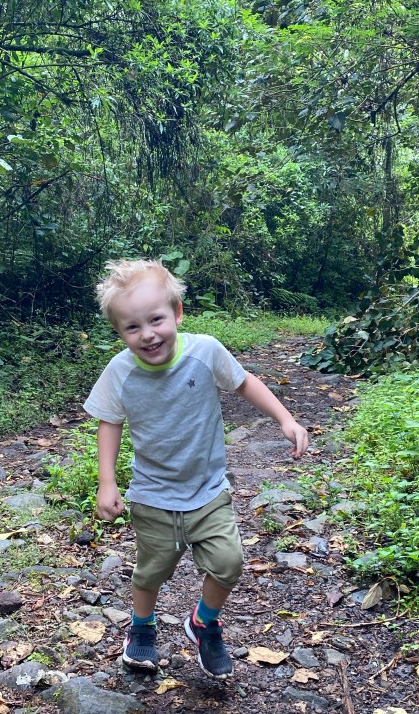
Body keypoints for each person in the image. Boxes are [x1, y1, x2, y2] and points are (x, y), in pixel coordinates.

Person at [84, 258, 309, 679]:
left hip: (208, 490)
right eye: (132, 327)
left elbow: (243, 381)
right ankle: (142, 627)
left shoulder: (204, 351)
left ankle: (203, 622)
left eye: (156, 319)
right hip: (153, 495)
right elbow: (109, 422)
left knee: (228, 562)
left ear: (177, 313)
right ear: (119, 332)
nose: (147, 334)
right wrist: (107, 482)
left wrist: (285, 419)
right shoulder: (120, 371)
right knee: (151, 572)